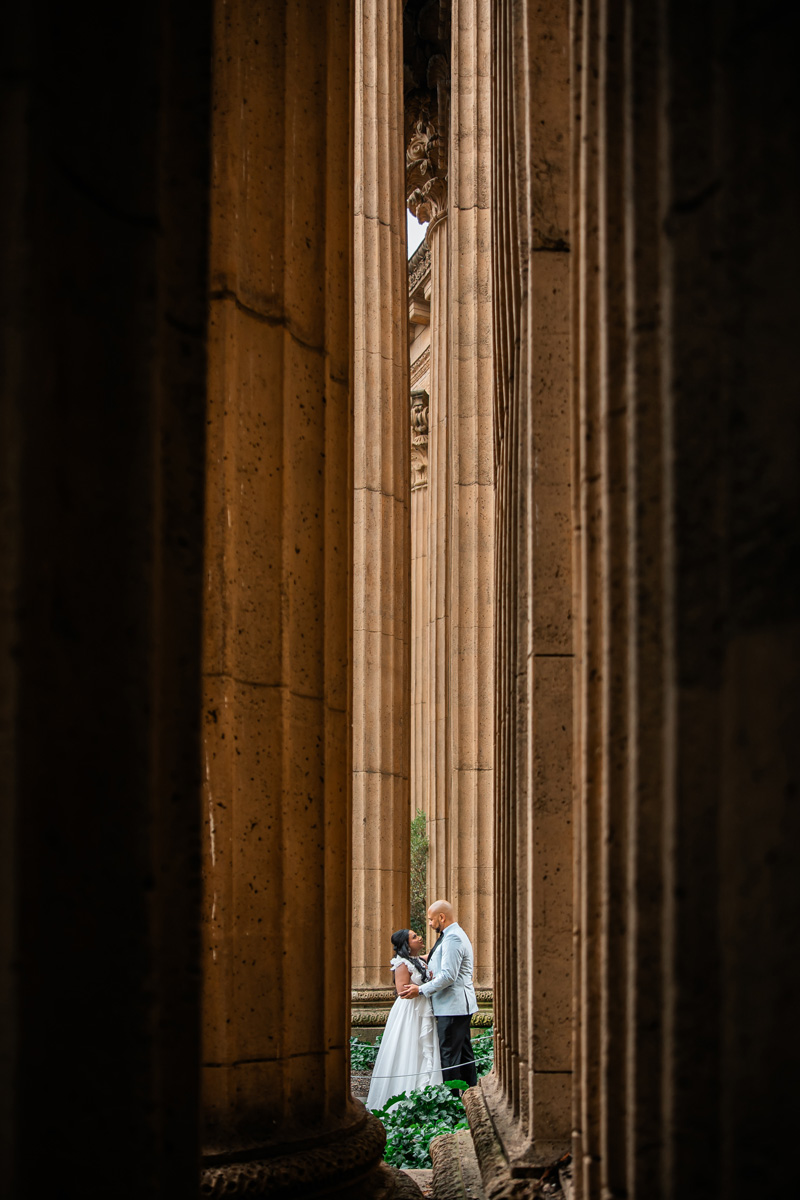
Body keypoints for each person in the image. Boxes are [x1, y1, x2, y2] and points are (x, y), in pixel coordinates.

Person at [399, 899, 478, 1088]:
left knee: (449, 1057)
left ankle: (451, 1104)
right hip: (456, 1006)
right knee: (465, 1055)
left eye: (430, 919)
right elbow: (435, 960)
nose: (429, 923)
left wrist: (420, 990)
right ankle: (471, 1095)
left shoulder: (453, 938)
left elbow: (448, 976)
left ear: (441, 917)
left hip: (452, 1006)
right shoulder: (450, 935)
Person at [365, 928, 443, 1112]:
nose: (420, 937)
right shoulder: (401, 964)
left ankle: (425, 1091)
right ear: (406, 945)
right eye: (414, 937)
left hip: (423, 1008)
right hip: (410, 1012)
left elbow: (433, 956)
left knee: (425, 1049)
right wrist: (423, 988)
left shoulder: (418, 960)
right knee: (410, 1047)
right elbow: (402, 991)